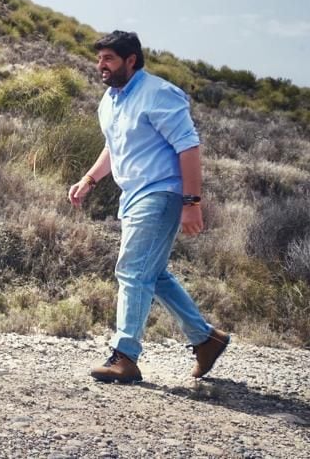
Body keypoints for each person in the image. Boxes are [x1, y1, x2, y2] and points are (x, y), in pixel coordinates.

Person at [68, 30, 229, 383]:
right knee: (151, 274)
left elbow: (189, 148)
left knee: (131, 271)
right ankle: (206, 339)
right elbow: (114, 147)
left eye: (108, 59)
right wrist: (89, 180)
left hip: (162, 193)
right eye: (99, 59)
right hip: (134, 194)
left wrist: (192, 202)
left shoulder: (159, 94)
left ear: (131, 60)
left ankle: (125, 356)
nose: (101, 66)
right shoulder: (109, 101)